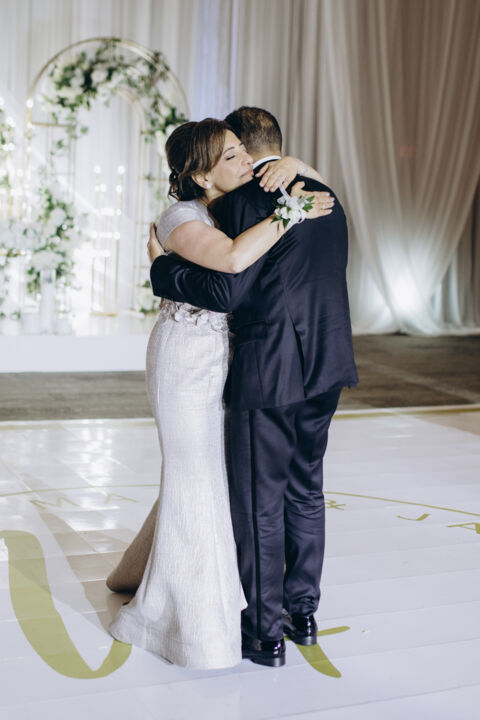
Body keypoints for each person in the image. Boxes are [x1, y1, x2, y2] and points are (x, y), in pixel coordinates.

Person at [107, 117, 334, 670]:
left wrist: (298, 170)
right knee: (199, 479)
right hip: (188, 358)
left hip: (237, 361)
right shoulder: (185, 216)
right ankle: (206, 618)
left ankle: (222, 605)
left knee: (214, 480)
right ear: (201, 176)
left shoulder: (240, 206)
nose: (245, 162)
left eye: (241, 151)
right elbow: (231, 270)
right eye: (230, 156)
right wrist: (293, 205)